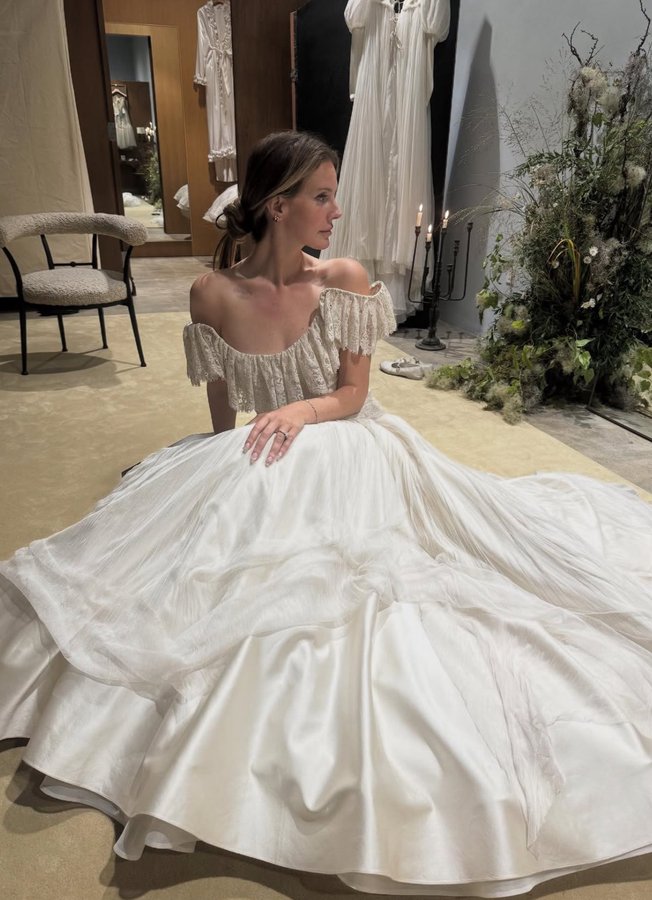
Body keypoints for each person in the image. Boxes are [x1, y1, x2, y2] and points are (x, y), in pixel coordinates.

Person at [1, 130, 652, 898]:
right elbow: (221, 407)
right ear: (277, 207)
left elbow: (354, 397)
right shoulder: (213, 293)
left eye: (332, 194)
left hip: (345, 444)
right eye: (321, 196)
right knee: (167, 566)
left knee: (382, 593)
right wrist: (214, 479)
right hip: (262, 455)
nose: (336, 212)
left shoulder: (341, 279)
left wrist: (297, 416)